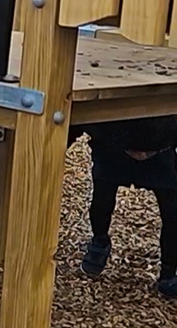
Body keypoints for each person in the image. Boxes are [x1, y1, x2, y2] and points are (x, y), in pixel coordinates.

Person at [69, 116, 177, 298]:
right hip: (114, 147)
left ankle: (168, 273)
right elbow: (85, 115)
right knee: (102, 200)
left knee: (173, 212)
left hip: (160, 149)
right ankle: (99, 241)